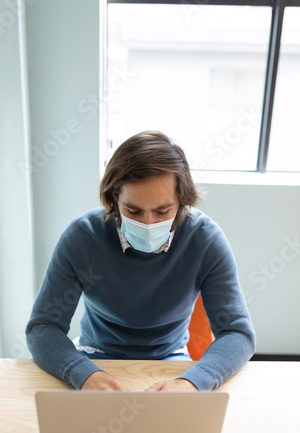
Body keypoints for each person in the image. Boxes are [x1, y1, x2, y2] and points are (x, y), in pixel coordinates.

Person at [25, 130, 255, 392]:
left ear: (182, 200)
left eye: (162, 211)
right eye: (133, 211)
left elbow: (238, 334)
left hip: (171, 362)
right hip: (94, 358)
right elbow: (42, 327)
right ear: (113, 198)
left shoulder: (205, 241)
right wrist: (82, 373)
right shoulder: (82, 237)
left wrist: (194, 381)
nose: (148, 223)